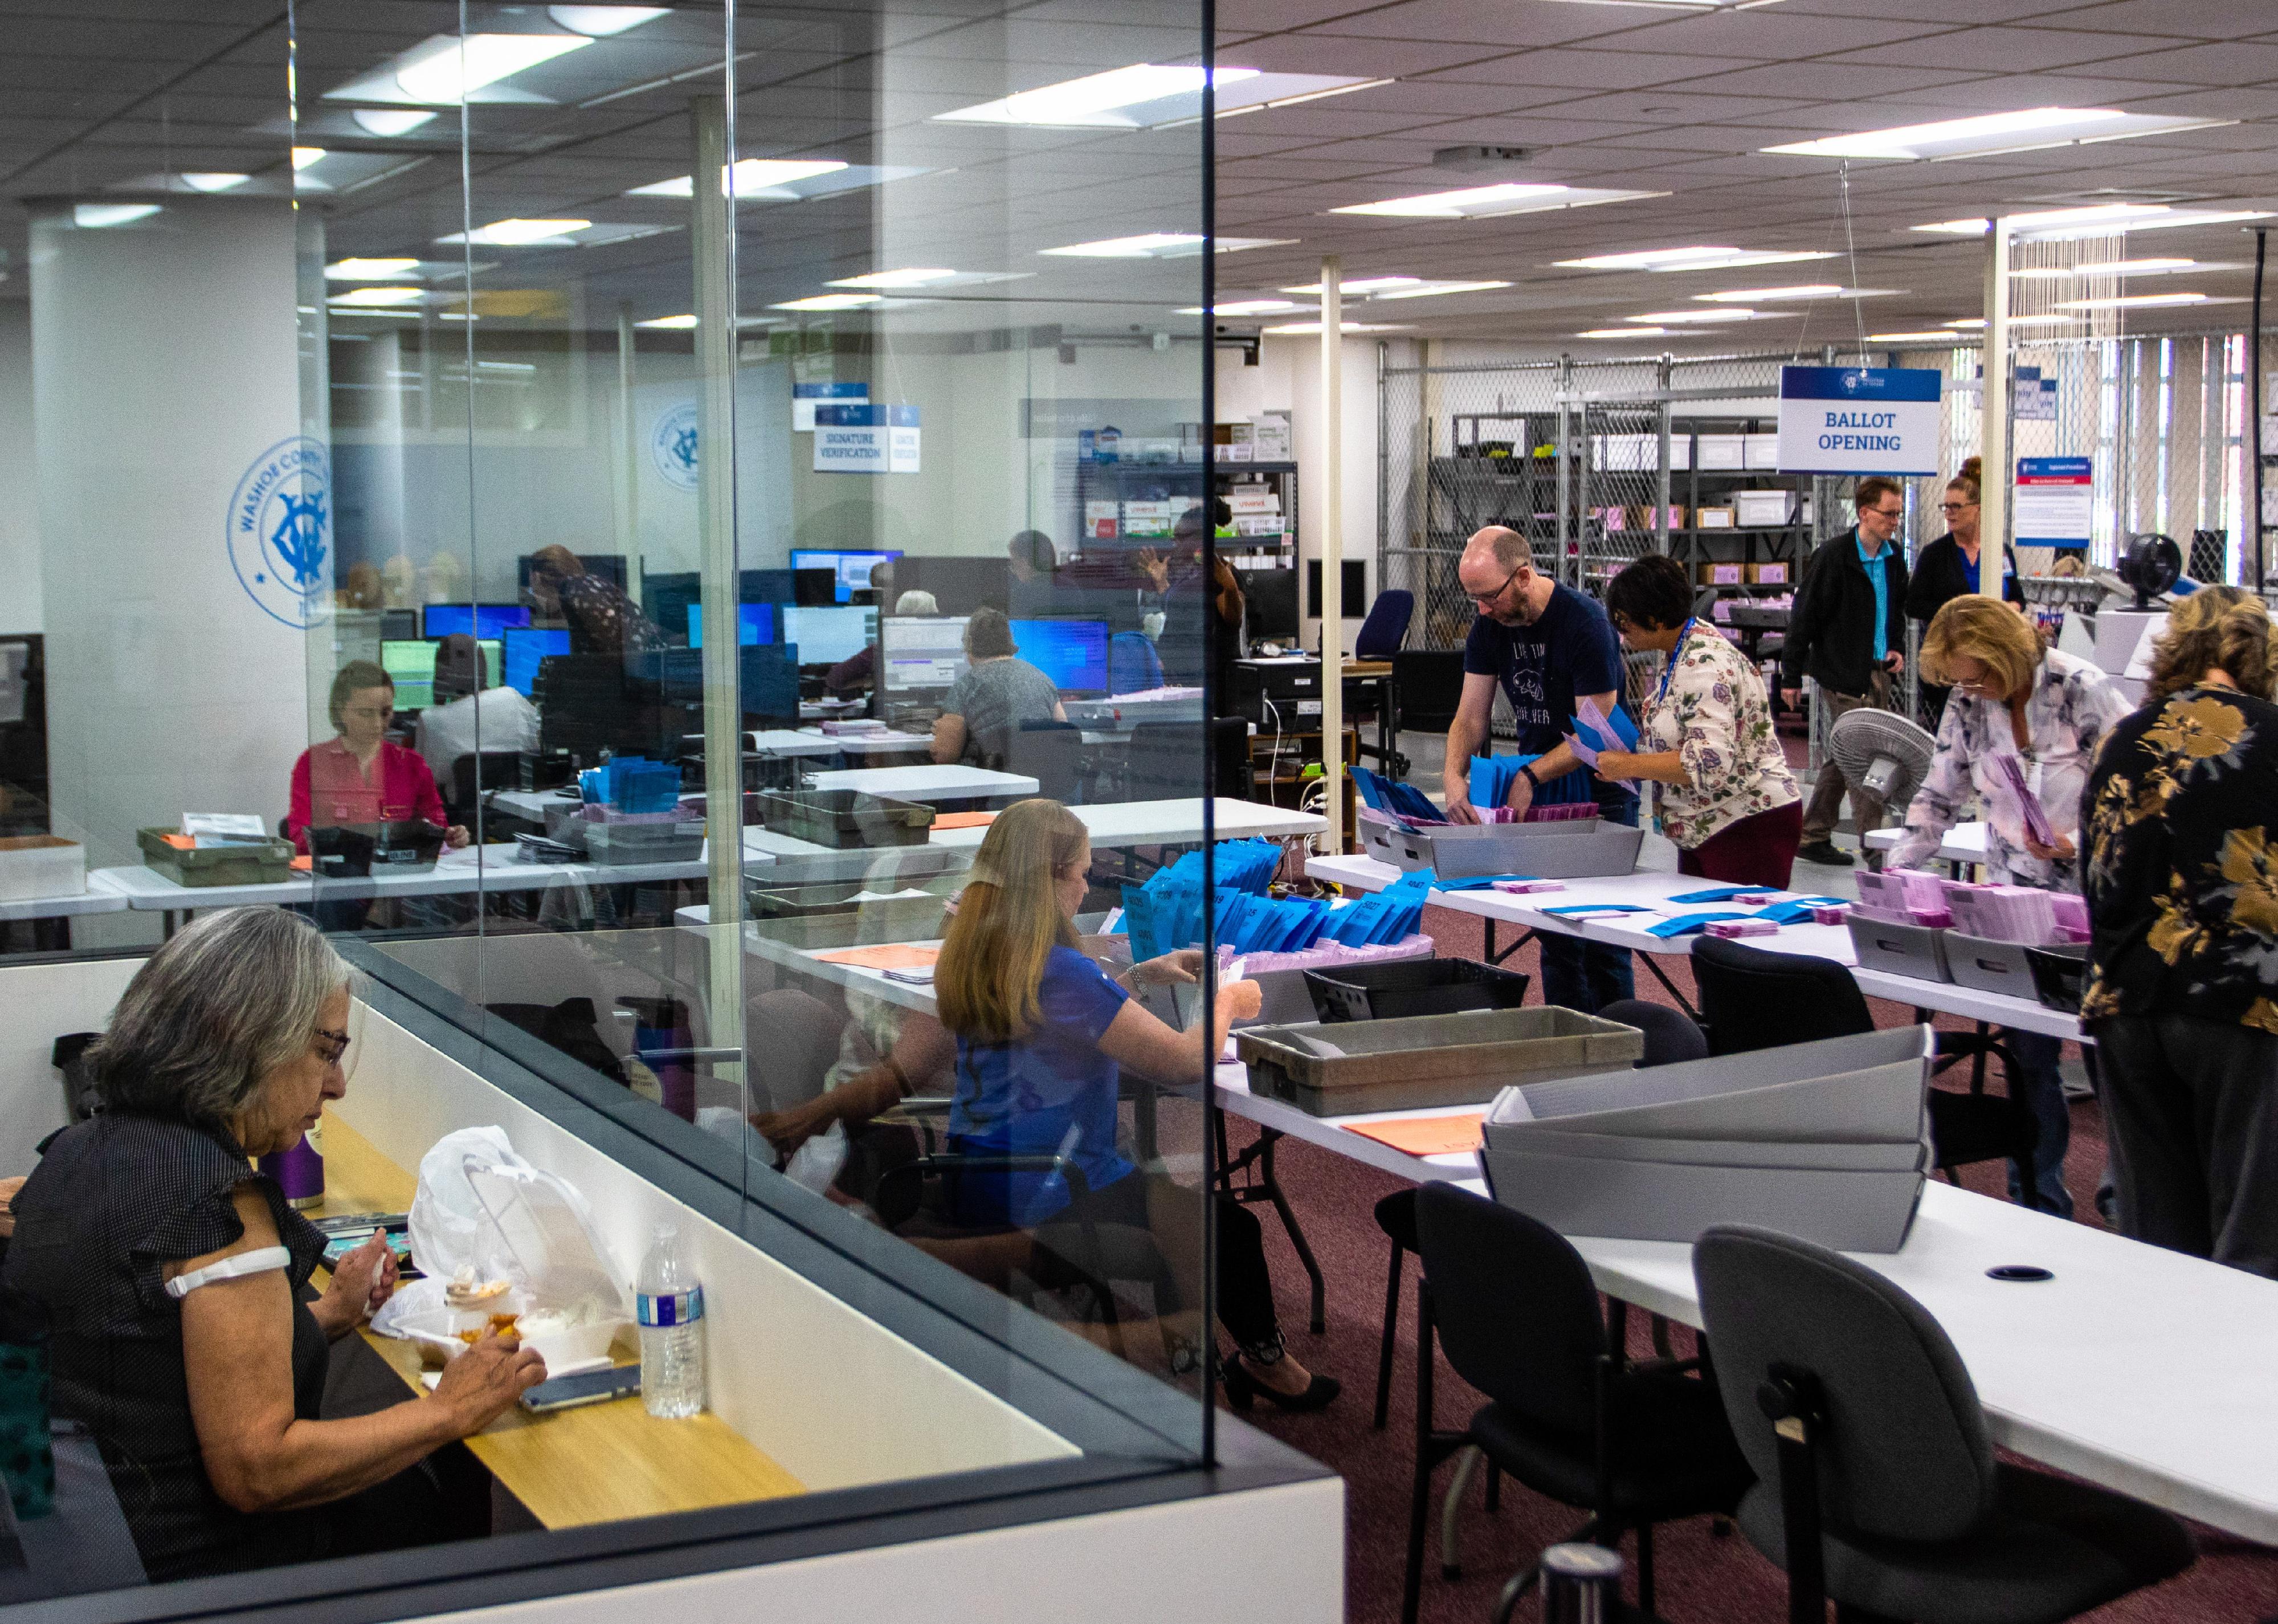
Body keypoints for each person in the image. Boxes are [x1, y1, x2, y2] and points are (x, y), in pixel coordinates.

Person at [2, 910, 546, 1581]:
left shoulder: (77, 1151)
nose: (337, 1085)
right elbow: (258, 1470)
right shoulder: (215, 1207)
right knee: (438, 1488)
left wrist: (325, 1318)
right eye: (325, 1051)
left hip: (80, 1544)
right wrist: (447, 1412)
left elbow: (149, 1356)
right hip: (198, 1566)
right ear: (245, 1038)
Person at [767, 801, 1336, 1407]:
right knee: (1229, 1230)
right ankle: (1219, 1358)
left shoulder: (976, 950)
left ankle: (996, 1282)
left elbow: (1054, 1020)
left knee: (1176, 1208)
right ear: (1050, 880)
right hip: (1055, 1184)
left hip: (976, 1169)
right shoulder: (1062, 970)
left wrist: (1139, 977)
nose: (1087, 885)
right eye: (1081, 873)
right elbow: (1181, 1062)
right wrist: (1229, 1002)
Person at [1888, 595, 2131, 1219]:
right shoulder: (1970, 701)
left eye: (1978, 674)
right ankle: (2038, 1196)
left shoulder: (2083, 687)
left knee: (2114, 1061)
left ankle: (2127, 1196)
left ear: (2009, 654)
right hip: (2013, 905)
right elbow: (1938, 793)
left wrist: (2074, 840)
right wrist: (1893, 879)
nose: (1970, 688)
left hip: (2095, 901)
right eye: (1960, 679)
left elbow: (2137, 793)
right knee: (2028, 1060)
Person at [2080, 590, 2278, 1276]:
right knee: (2253, 1240)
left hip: (2126, 1002)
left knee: (2158, 1244)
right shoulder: (2272, 732)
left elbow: (2097, 878)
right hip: (2243, 1003)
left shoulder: (2122, 736)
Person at [1444, 525, 1636, 1011]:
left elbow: (1594, 733)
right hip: (1539, 785)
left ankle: (1623, 1048)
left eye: (1489, 597)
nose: (1482, 610)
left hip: (1598, 787)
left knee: (1603, 938)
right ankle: (1569, 1041)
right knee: (1555, 933)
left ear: (1524, 577)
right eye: (1474, 600)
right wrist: (1451, 777)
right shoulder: (1490, 625)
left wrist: (1531, 776)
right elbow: (1470, 716)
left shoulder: (1585, 622)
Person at [1595, 555, 1801, 887]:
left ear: (1655, 619)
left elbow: (1709, 764)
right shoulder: (1680, 648)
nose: (1621, 633)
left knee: (1733, 935)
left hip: (1744, 822)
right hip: (1709, 822)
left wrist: (1630, 765)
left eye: (1625, 622)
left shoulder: (1703, 666)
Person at [1782, 477, 1910, 867]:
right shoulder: (1834, 557)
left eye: (1898, 514)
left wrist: (1896, 649)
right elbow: (1804, 617)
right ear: (1865, 513)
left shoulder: (1893, 559)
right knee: (1866, 758)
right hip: (1841, 673)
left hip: (1877, 672)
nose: (1894, 521)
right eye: (1888, 514)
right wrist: (1791, 675)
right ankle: (1875, 849)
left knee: (1843, 755)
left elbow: (1895, 616)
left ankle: (1814, 831)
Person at [287, 661, 469, 854]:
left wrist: (452, 835)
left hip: (398, 873)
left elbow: (436, 827)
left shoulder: (412, 764)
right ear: (341, 711)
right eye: (366, 714)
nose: (377, 723)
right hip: (338, 872)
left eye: (385, 713)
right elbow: (298, 836)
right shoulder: (313, 763)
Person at [1905, 459, 2024, 727]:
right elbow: (1914, 604)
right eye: (1946, 507)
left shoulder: (1999, 550)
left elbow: (2018, 596)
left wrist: (2011, 609)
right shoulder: (1935, 554)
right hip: (1953, 659)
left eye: (1957, 506)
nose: (1949, 513)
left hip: (1995, 658)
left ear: (1978, 509)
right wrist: (1960, 613)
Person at [932, 607, 1066, 768]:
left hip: (995, 783)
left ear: (970, 643)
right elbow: (1063, 728)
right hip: (1045, 780)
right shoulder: (1043, 679)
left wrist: (941, 733)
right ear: (1010, 640)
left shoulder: (966, 685)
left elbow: (945, 755)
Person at [413, 634, 540, 793]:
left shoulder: (430, 719)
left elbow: (425, 780)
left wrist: (438, 696)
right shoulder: (512, 697)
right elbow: (537, 747)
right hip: (514, 809)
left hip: (462, 814)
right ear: (482, 665)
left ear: (440, 675)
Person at [1156, 500, 1244, 692]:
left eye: (1181, 538)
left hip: (1211, 685)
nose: (1175, 544)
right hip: (1181, 681)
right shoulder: (1190, 574)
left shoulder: (1223, 575)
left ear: (1200, 538)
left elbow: (1233, 618)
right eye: (1175, 538)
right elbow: (1178, 614)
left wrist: (1229, 588)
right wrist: (1162, 583)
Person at [525, 544, 663, 656]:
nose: (535, 596)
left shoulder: (576, 595)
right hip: (650, 667)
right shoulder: (591, 585)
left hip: (640, 675)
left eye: (533, 589)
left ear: (537, 577)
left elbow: (611, 655)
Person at [1006, 530, 1060, 622]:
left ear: (1025, 563)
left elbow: (1017, 631)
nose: (1014, 571)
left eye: (1014, 564)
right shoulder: (1071, 587)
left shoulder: (1022, 594)